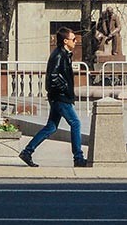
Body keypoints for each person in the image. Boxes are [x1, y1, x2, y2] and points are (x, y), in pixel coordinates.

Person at [19, 27, 87, 168]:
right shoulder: (59, 55)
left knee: (51, 127)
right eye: (73, 39)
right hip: (60, 97)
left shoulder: (65, 54)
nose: (76, 41)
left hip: (59, 97)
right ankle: (78, 158)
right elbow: (53, 77)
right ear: (65, 41)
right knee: (75, 123)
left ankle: (27, 152)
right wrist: (64, 91)